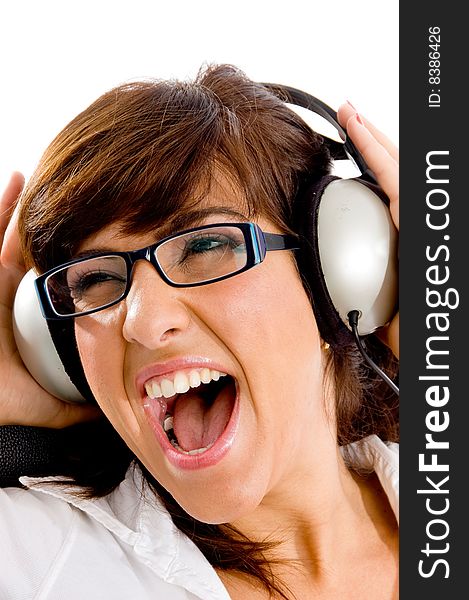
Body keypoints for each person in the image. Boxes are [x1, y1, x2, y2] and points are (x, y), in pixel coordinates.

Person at [0, 64, 399, 599]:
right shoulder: (32, 558)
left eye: (206, 246)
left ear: (334, 278)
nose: (142, 321)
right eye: (94, 278)